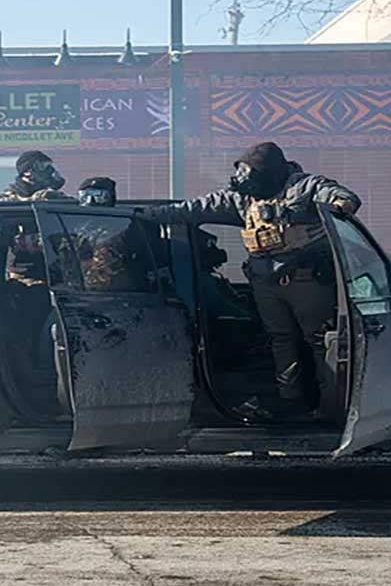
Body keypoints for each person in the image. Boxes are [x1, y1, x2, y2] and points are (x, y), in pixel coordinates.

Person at [144, 142, 360, 420]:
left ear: (270, 172)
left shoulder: (306, 188)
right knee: (281, 340)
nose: (245, 180)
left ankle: (329, 405)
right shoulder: (243, 199)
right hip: (265, 283)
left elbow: (344, 198)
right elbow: (197, 208)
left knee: (319, 342)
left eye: (252, 173)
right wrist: (149, 216)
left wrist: (338, 206)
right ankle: (292, 401)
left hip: (306, 281)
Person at [0, 151, 72, 202]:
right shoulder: (4, 201)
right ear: (27, 172)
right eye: (45, 167)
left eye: (50, 167)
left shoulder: (52, 198)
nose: (51, 171)